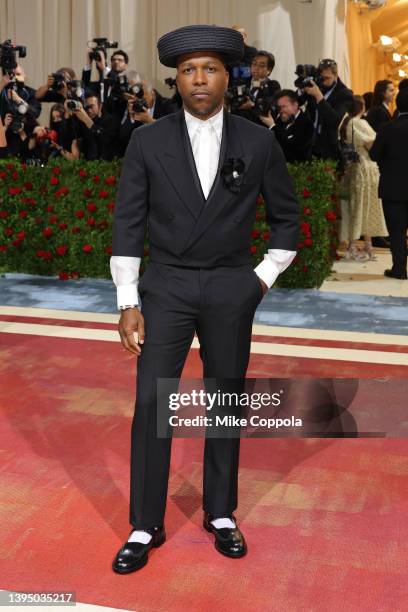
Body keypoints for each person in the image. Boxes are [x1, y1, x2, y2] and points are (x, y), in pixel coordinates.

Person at [110, 24, 299, 574]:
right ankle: (145, 522)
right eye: (189, 69)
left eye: (210, 68)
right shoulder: (147, 140)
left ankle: (220, 513)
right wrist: (127, 299)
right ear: (176, 77)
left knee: (224, 400)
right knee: (152, 403)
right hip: (165, 285)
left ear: (228, 77)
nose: (199, 78)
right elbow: (128, 223)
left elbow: (287, 220)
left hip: (229, 286)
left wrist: (259, 279)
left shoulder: (258, 141)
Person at [339, 95, 387, 260]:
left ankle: (364, 245)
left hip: (354, 168)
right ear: (361, 107)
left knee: (357, 206)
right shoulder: (359, 123)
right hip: (366, 168)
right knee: (365, 206)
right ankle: (359, 245)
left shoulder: (347, 123)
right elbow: (372, 144)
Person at [369, 89, 408, 279]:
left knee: (396, 231)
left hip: (393, 187)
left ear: (397, 105)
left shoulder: (387, 128)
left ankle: (399, 269)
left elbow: (374, 154)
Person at [299, 58, 354, 160]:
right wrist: (301, 89)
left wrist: (319, 97)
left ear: (336, 76)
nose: (323, 82)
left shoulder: (345, 94)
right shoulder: (316, 85)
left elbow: (334, 120)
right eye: (321, 78)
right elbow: (297, 102)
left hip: (329, 148)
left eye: (327, 78)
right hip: (309, 143)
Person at [118, 79, 175, 154]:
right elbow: (123, 138)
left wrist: (150, 121)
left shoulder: (168, 105)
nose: (139, 100)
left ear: (153, 94)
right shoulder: (135, 107)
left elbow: (172, 135)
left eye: (143, 96)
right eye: (137, 97)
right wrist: (131, 117)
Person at [260, 89, 314, 162]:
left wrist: (273, 127)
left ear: (295, 105)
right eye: (279, 107)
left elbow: (293, 150)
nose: (281, 111)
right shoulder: (279, 120)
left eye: (283, 106)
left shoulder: (306, 124)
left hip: (298, 170)